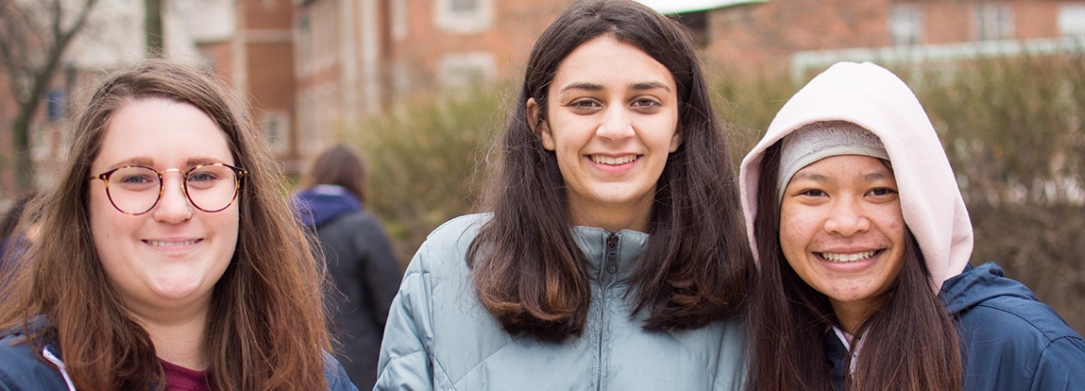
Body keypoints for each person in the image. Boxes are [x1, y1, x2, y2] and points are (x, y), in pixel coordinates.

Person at [375, 0, 753, 389]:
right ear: (542, 123)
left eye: (645, 102)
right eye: (585, 103)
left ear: (680, 125)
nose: (616, 129)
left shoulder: (748, 284)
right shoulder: (447, 269)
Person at [0, 60, 358, 390]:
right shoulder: (17, 379)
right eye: (136, 179)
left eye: (202, 175)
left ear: (243, 200)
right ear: (83, 205)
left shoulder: (315, 377)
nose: (174, 209)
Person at [739, 61, 1085, 391]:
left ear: (924, 206)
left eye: (878, 191)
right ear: (773, 213)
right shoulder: (759, 349)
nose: (846, 223)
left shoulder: (1027, 350)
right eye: (814, 192)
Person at [293, 144, 402, 390]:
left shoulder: (283, 227)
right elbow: (392, 309)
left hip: (297, 362)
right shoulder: (363, 228)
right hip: (360, 366)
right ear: (357, 179)